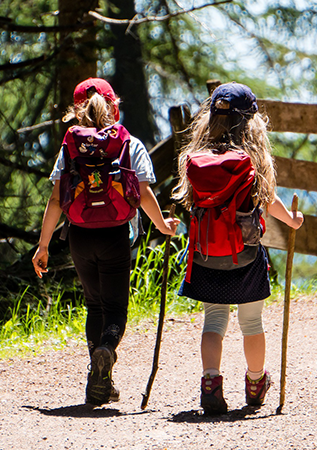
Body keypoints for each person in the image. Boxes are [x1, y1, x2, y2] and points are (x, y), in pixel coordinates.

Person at [32, 77, 180, 406]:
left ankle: (98, 378)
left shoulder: (69, 148)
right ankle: (106, 351)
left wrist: (43, 246)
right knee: (116, 309)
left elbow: (57, 200)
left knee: (94, 305)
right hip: (116, 235)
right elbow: (142, 194)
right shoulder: (128, 143)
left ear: (76, 111)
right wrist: (163, 227)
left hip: (80, 236)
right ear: (114, 105)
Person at [172, 82, 304, 415]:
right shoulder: (250, 160)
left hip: (204, 256)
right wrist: (291, 220)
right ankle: (256, 382)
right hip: (244, 257)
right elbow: (267, 200)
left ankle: (210, 381)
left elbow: (188, 203)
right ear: (251, 122)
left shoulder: (194, 160)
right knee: (252, 322)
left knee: (213, 321)